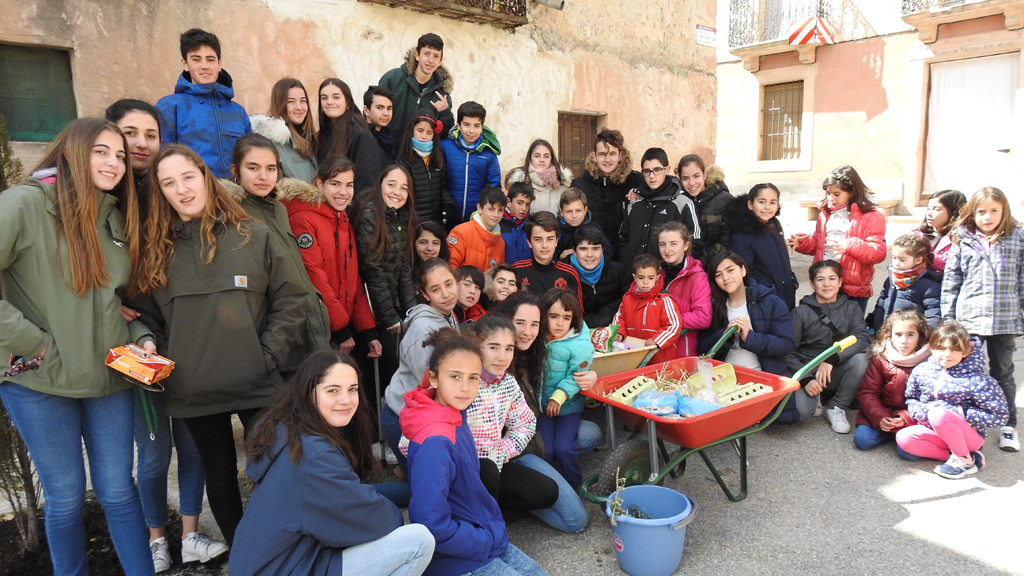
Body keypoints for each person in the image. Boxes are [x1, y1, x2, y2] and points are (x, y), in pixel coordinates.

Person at [129, 144, 307, 546]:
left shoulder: (253, 235)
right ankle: (246, 556)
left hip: (258, 382)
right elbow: (143, 316)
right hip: (194, 389)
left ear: (206, 178)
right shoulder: (154, 250)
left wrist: (268, 356)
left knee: (279, 468)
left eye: (188, 177)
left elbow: (293, 298)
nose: (182, 190)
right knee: (220, 472)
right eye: (168, 183)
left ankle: (287, 549)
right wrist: (151, 345)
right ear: (159, 192)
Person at [0, 118, 154, 575]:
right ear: (71, 152)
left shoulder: (114, 217)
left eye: (120, 156)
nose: (114, 163)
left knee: (119, 492)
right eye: (101, 151)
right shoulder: (23, 205)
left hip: (108, 377)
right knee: (66, 499)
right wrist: (34, 343)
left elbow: (113, 305)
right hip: (40, 379)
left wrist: (140, 339)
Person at [106, 101, 226, 572]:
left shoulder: (169, 195)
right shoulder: (109, 198)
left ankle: (191, 534)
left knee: (193, 447)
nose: (139, 143)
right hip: (138, 345)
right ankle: (158, 538)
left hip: (186, 342)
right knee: (154, 455)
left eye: (150, 133)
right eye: (129, 133)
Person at [229, 351, 434, 576]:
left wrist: (404, 493)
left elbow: (347, 496)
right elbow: (381, 522)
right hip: (287, 568)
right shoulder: (315, 456)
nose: (346, 400)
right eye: (332, 390)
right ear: (308, 393)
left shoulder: (286, 429)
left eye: (352, 389)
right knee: (418, 541)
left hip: (264, 562)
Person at [401, 330, 550, 576]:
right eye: (455, 376)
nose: (465, 387)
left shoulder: (455, 415)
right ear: (434, 379)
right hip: (458, 557)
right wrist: (482, 540)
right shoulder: (435, 440)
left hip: (481, 533)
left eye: (473, 378)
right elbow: (429, 521)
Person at [224, 133, 332, 373]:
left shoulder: (279, 209)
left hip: (306, 326)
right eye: (253, 167)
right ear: (235, 170)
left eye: (270, 168)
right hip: (275, 336)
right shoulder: (232, 215)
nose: (263, 176)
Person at [941, 186, 1024, 452]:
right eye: (981, 212)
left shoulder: (1017, 238)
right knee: (969, 373)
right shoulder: (962, 238)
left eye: (994, 211)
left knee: (1003, 372)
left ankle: (1008, 426)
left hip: (1004, 319)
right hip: (970, 320)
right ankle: (971, 422)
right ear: (972, 213)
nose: (987, 217)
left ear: (1004, 211)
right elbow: (951, 280)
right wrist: (948, 319)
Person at [280, 157, 381, 356]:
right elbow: (313, 275)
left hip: (337, 328)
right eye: (335, 184)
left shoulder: (343, 221)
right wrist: (340, 328)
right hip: (316, 328)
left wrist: (368, 330)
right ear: (319, 183)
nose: (343, 192)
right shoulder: (303, 218)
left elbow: (354, 281)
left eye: (349, 185)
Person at [463, 316, 559, 515]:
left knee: (548, 492)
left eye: (509, 348)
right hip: (461, 468)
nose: (502, 356)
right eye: (493, 347)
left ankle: (492, 512)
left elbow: (525, 425)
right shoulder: (460, 381)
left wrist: (501, 452)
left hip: (495, 463)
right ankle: (479, 521)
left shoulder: (507, 383)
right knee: (486, 473)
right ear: (476, 345)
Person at [897, 320, 1009, 478]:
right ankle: (966, 457)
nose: (947, 354)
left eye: (955, 349)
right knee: (904, 439)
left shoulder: (978, 379)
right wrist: (920, 412)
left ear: (965, 352)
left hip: (969, 435)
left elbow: (999, 417)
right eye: (941, 348)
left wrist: (959, 412)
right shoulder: (922, 370)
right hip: (933, 429)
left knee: (939, 414)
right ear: (932, 347)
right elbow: (911, 397)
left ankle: (963, 461)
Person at [381, 259, 459, 474]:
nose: (446, 293)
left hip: (419, 414)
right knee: (424, 484)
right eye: (436, 289)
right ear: (425, 294)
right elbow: (428, 383)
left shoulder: (448, 314)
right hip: (401, 417)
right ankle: (367, 497)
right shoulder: (424, 328)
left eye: (449, 284)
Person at [784, 260, 871, 433]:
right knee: (801, 413)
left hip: (837, 368)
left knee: (862, 359)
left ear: (840, 282)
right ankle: (816, 398)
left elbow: (862, 338)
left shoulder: (851, 307)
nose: (826, 284)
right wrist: (806, 378)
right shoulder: (800, 312)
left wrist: (832, 358)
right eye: (820, 279)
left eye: (832, 278)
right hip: (809, 369)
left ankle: (837, 406)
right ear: (812, 283)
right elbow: (787, 351)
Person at [354, 165, 418, 390]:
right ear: (380, 184)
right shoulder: (370, 214)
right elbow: (372, 270)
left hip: (385, 306)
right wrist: (390, 318)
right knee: (377, 375)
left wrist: (413, 313)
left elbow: (403, 268)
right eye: (391, 185)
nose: (396, 192)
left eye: (404, 188)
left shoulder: (399, 217)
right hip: (368, 309)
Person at [156, 28, 251, 179]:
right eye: (196, 59)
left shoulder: (238, 112)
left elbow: (249, 159)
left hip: (235, 198)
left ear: (219, 64)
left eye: (210, 59)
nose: (204, 65)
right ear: (185, 64)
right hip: (190, 196)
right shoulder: (169, 107)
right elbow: (162, 159)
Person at [789, 165, 886, 313]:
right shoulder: (825, 214)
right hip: (826, 282)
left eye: (836, 194)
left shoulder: (871, 216)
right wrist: (802, 243)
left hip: (852, 288)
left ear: (851, 192)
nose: (831, 198)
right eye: (828, 193)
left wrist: (850, 245)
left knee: (850, 330)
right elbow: (819, 244)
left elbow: (878, 252)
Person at [697, 252, 793, 375]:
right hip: (724, 381)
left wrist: (750, 337)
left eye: (730, 270)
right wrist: (723, 336)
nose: (725, 278)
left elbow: (786, 344)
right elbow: (702, 349)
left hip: (765, 379)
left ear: (743, 270)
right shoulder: (713, 306)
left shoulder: (770, 301)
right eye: (718, 275)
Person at [854, 310, 931, 457]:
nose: (904, 340)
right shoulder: (881, 357)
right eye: (898, 334)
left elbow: (929, 400)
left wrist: (905, 418)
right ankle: (891, 433)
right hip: (882, 411)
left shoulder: (928, 361)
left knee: (909, 454)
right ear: (890, 335)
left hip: (913, 416)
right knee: (862, 440)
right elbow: (867, 392)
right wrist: (880, 417)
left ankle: (900, 436)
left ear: (920, 336)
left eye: (910, 334)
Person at [537, 290, 592, 488]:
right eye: (554, 316)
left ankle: (574, 483)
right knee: (545, 449)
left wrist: (558, 397)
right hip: (542, 406)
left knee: (564, 448)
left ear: (574, 319)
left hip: (568, 406)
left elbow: (577, 375)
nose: (560, 323)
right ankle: (547, 485)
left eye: (566, 317)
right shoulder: (538, 336)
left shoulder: (580, 344)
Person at [619, 148, 702, 266]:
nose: (652, 176)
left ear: (667, 169)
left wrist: (674, 270)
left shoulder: (682, 203)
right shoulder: (635, 203)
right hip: (634, 277)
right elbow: (623, 238)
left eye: (657, 170)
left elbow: (695, 242)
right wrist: (627, 262)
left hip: (666, 277)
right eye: (647, 171)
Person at [570, 128, 643, 256]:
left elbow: (666, 185)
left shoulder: (636, 181)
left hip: (627, 255)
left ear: (620, 156)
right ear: (594, 156)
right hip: (590, 257)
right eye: (602, 154)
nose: (607, 159)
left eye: (612, 154)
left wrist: (641, 191)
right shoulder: (579, 185)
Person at [727, 183, 798, 310]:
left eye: (772, 202)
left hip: (785, 294)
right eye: (761, 202)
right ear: (750, 204)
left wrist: (791, 280)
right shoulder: (743, 235)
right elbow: (746, 273)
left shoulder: (774, 225)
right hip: (765, 300)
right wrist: (769, 290)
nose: (767, 207)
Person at [602, 254, 681, 365]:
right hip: (633, 354)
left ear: (657, 277)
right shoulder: (628, 297)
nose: (645, 282)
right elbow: (620, 316)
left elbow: (674, 325)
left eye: (650, 278)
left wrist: (656, 341)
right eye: (641, 278)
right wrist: (618, 332)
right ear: (634, 277)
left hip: (659, 358)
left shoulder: (664, 299)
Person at [378, 33, 455, 137]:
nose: (430, 60)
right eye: (427, 54)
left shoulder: (442, 95)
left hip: (419, 152)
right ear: (417, 55)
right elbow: (373, 111)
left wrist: (445, 113)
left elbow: (444, 136)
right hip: (387, 148)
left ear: (440, 61)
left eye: (436, 56)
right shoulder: (392, 79)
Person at [316, 78, 383, 194]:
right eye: (324, 98)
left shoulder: (361, 136)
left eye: (336, 97)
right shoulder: (323, 135)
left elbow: (366, 185)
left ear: (347, 102)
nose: (329, 102)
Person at [867, 233, 941, 333]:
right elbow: (881, 304)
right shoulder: (892, 279)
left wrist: (924, 338)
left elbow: (933, 316)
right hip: (888, 334)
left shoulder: (929, 285)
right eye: (894, 258)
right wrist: (875, 327)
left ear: (918, 260)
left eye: (902, 259)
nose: (896, 263)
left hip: (911, 337)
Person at [441, 101, 501, 223]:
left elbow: (494, 187)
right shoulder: (445, 147)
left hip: (476, 219)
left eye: (476, 126)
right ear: (458, 125)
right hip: (448, 217)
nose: (471, 131)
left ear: (482, 127)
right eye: (466, 125)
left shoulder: (489, 154)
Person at [249, 77, 319, 182]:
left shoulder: (312, 139)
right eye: (291, 102)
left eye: (303, 101)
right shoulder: (272, 144)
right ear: (280, 105)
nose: (299, 107)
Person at [658, 222, 711, 357]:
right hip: (655, 348)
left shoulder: (697, 276)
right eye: (662, 244)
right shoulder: (654, 272)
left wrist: (668, 321)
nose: (667, 250)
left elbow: (703, 317)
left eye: (673, 244)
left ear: (685, 245)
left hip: (682, 352)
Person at [396, 108, 455, 228]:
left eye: (429, 133)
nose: (424, 136)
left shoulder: (437, 156)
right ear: (412, 130)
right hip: (414, 223)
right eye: (420, 130)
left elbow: (443, 185)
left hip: (437, 222)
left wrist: (448, 201)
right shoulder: (404, 159)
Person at [512, 211, 584, 306]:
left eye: (550, 239)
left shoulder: (569, 273)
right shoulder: (517, 270)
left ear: (556, 241)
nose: (544, 245)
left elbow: (577, 314)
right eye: (538, 240)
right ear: (529, 242)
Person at [568, 225, 630, 329]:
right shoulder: (564, 275)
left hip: (615, 326)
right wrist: (599, 321)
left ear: (602, 250)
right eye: (583, 249)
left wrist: (607, 313)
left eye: (595, 249)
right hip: (578, 331)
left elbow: (628, 299)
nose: (590, 254)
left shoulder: (617, 270)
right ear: (574, 251)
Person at [676, 155, 732, 262]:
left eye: (696, 176)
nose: (691, 183)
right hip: (688, 267)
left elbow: (727, 241)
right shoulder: (680, 201)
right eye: (685, 178)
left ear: (704, 174)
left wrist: (700, 262)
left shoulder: (725, 200)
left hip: (718, 265)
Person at [446, 185, 506, 273]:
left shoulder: (500, 242)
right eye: (491, 209)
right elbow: (450, 267)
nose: (496, 215)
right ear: (479, 208)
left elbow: (498, 275)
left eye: (500, 210)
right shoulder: (461, 232)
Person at [505, 139, 573, 215]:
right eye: (537, 156)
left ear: (551, 160)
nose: (542, 160)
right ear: (530, 159)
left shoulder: (562, 185)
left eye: (546, 156)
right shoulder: (520, 183)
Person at [916, 189, 966, 272]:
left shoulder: (961, 238)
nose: (929, 213)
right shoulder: (917, 235)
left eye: (937, 209)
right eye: (928, 208)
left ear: (953, 212)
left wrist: (930, 258)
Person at [555, 187, 611, 260]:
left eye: (578, 211)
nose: (574, 216)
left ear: (585, 210)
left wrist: (574, 252)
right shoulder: (555, 229)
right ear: (561, 212)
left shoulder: (594, 227)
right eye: (569, 211)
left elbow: (608, 251)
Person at [500, 182, 535, 263]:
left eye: (527, 205)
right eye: (519, 203)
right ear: (508, 202)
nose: (524, 208)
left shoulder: (531, 225)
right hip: (504, 273)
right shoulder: (498, 223)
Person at [363, 86, 397, 164]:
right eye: (379, 108)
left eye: (389, 108)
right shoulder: (362, 137)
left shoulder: (391, 136)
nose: (386, 113)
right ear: (366, 110)